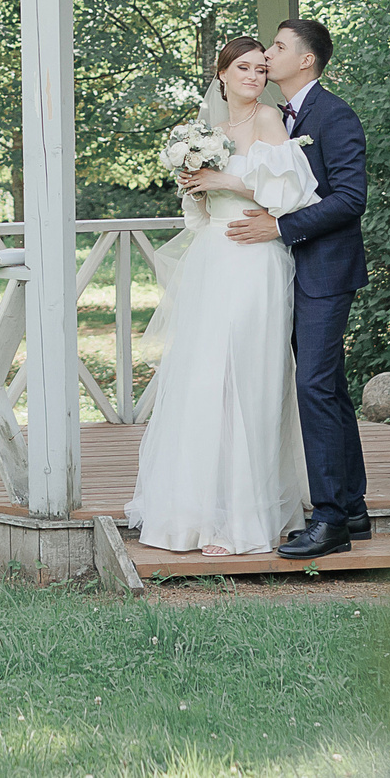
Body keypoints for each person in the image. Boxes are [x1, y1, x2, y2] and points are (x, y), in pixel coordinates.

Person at [121, 37, 317, 556]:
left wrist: (222, 177)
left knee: (248, 374)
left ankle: (245, 519)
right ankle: (195, 513)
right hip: (213, 254)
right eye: (243, 67)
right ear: (222, 74)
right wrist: (197, 185)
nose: (254, 76)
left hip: (254, 257)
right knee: (204, 377)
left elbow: (290, 193)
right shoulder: (208, 133)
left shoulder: (270, 120)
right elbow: (201, 211)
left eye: (261, 69)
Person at [221, 15, 370, 560]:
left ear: (306, 60)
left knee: (314, 386)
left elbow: (350, 198)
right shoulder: (281, 116)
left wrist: (281, 228)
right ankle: (352, 509)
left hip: (325, 272)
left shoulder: (333, 114)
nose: (267, 54)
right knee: (327, 388)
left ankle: (329, 521)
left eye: (278, 47)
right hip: (287, 271)